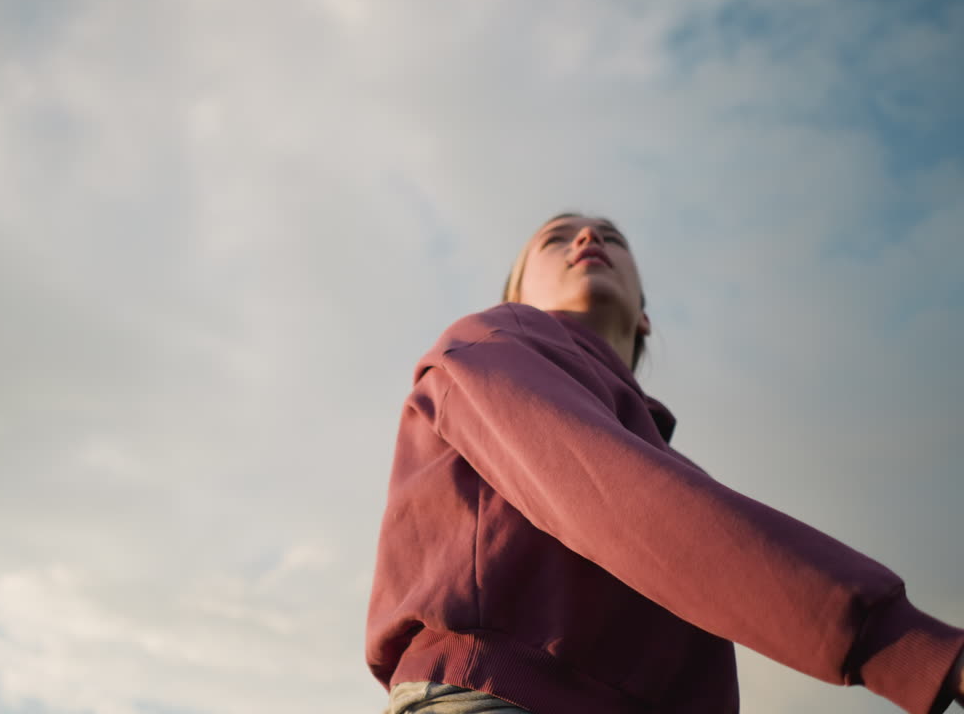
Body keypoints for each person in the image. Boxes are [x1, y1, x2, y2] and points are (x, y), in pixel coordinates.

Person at [365, 213, 964, 714]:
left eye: (610, 237)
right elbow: (619, 498)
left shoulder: (661, 456)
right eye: (556, 238)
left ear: (646, 315)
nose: (586, 239)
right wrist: (906, 643)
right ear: (516, 295)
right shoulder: (490, 341)